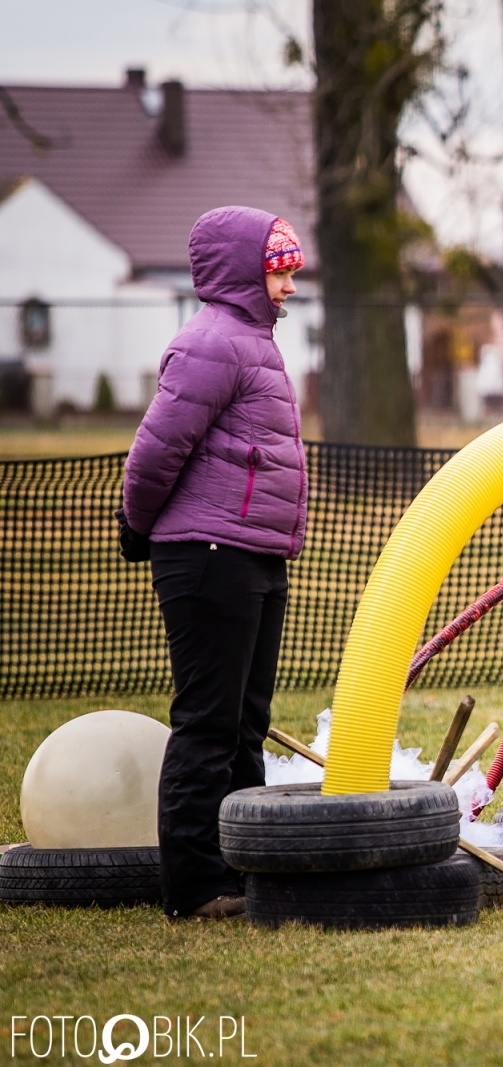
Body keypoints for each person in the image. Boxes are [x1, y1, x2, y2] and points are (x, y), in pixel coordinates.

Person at [117, 207, 308, 919]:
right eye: (278, 270)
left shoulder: (250, 342)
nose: (289, 287)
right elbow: (156, 449)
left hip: (253, 554)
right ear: (240, 270)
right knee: (208, 722)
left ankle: (238, 866)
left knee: (246, 723)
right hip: (208, 556)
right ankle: (194, 885)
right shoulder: (212, 344)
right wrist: (138, 524)